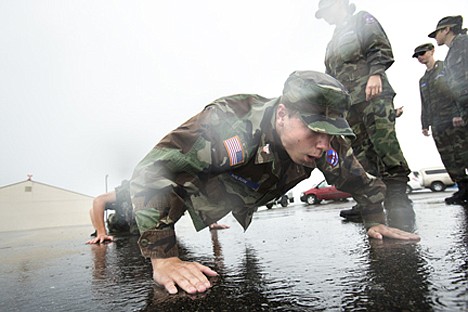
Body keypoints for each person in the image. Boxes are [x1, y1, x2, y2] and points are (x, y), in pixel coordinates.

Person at [115, 70, 419, 295]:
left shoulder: (327, 143)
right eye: (315, 130)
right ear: (283, 114)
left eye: (331, 133)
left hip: (213, 200)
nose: (324, 144)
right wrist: (164, 258)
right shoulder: (232, 124)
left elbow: (358, 180)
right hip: (165, 198)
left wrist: (375, 221)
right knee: (128, 235)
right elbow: (153, 171)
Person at [315, 0, 415, 224]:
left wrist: (376, 73)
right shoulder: (332, 42)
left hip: (373, 95)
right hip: (349, 105)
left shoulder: (361, 20)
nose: (326, 18)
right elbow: (330, 76)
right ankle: (371, 202)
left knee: (384, 144)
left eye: (326, 12)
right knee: (361, 152)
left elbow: (379, 46)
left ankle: (398, 199)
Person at [85, 181, 229, 245]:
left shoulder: (175, 191)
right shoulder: (134, 187)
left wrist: (212, 223)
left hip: (147, 229)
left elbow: (195, 203)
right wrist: (100, 232)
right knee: (106, 217)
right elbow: (98, 201)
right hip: (122, 226)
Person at [413, 42, 468, 205]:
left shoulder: (445, 68)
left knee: (463, 152)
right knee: (448, 157)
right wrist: (425, 123)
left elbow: (456, 91)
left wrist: (458, 113)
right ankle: (463, 188)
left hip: (453, 120)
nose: (420, 57)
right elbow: (424, 102)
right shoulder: (423, 79)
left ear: (432, 51)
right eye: (417, 56)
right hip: (437, 124)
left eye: (422, 53)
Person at [428, 15, 468, 205]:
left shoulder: (464, 43)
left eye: (437, 32)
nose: (435, 36)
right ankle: (464, 188)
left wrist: (456, 112)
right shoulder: (454, 50)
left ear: (447, 29)